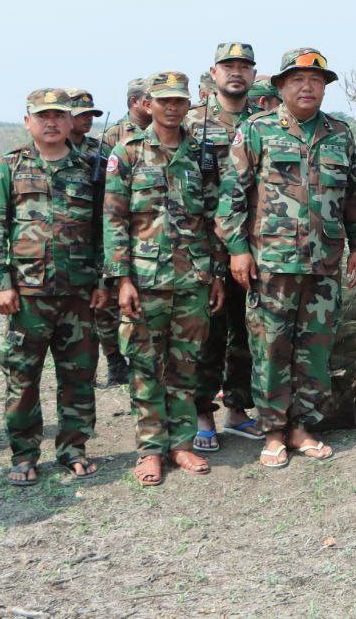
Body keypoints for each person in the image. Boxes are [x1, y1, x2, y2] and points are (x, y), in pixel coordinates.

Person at [216, 48, 356, 467]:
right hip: (271, 265)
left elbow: (355, 197)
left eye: (316, 81)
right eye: (298, 80)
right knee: (270, 348)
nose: (308, 87)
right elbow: (231, 198)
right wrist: (237, 251)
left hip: (323, 265)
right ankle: (272, 432)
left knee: (315, 350)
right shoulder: (256, 131)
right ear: (281, 86)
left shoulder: (339, 134)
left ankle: (303, 426)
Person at [0, 89, 106, 486]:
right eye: (42, 115)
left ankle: (73, 449)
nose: (51, 122)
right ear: (28, 120)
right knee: (22, 377)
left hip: (79, 295)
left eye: (58, 115)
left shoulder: (91, 167)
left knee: (79, 377)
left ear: (70, 122)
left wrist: (103, 279)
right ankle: (24, 454)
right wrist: (1, 282)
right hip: (27, 296)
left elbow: (107, 229)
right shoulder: (8, 167)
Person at [105, 71, 226, 486]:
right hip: (144, 280)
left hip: (192, 278)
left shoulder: (200, 154)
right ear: (148, 104)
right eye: (164, 101)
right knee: (144, 367)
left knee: (186, 367)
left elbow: (213, 218)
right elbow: (114, 220)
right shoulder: (128, 152)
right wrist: (121, 280)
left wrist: (215, 275)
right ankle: (150, 450)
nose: (173, 108)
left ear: (189, 103)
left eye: (180, 100)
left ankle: (182, 444)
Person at [184, 42, 262, 451]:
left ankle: (238, 408)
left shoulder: (264, 121)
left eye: (244, 67)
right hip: (206, 249)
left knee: (247, 331)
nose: (237, 73)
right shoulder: (191, 123)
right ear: (213, 73)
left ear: (253, 74)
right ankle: (202, 414)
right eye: (228, 66)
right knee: (207, 335)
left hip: (256, 246)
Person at [67, 88, 129, 386]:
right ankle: (82, 371)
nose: (87, 121)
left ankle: (115, 361)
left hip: (100, 236)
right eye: (82, 116)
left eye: (91, 116)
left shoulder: (101, 150)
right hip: (68, 241)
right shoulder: (56, 149)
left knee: (106, 304)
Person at [102, 78, 151, 151]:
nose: (157, 102)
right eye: (150, 97)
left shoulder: (165, 129)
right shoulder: (111, 135)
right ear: (134, 102)